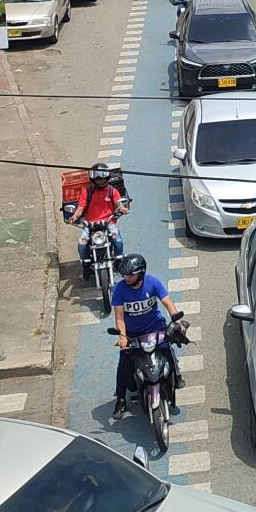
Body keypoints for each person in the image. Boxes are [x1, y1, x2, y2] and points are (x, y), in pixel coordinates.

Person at [109, 254, 186, 419]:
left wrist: (176, 320)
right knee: (124, 363)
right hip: (132, 333)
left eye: (130, 275)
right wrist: (123, 336)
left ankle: (177, 376)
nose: (127, 278)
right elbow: (119, 317)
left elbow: (167, 303)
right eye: (125, 275)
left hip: (155, 326)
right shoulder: (120, 289)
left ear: (140, 273)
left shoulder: (153, 282)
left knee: (167, 348)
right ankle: (121, 400)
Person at [67, 165, 129, 278]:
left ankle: (119, 260)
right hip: (89, 224)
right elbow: (81, 207)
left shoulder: (112, 191)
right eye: (97, 179)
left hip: (108, 222)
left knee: (118, 240)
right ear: (93, 180)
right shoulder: (87, 191)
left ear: (106, 179)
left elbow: (118, 204)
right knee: (82, 243)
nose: (99, 181)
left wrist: (123, 209)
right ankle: (85, 265)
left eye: (101, 179)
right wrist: (75, 216)